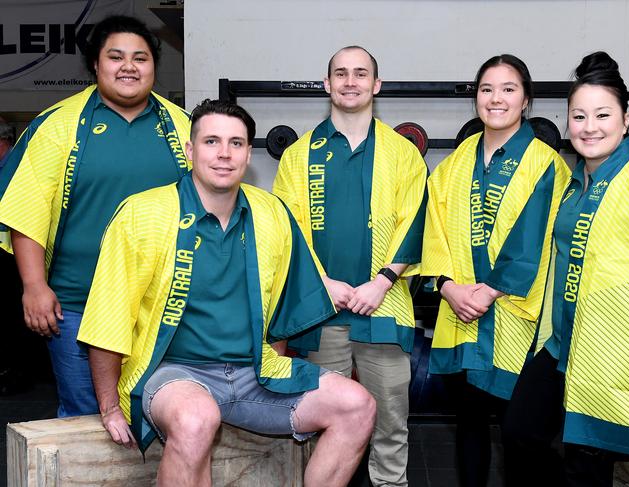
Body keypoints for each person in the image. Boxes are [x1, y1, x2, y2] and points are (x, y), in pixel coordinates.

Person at [77, 99, 376, 487]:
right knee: (197, 418)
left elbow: (287, 309)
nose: (224, 154)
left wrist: (273, 372)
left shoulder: (272, 212)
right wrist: (110, 407)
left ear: (248, 153)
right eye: (211, 141)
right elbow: (107, 318)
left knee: (358, 405)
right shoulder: (142, 213)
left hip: (254, 373)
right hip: (175, 374)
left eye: (236, 143)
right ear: (190, 150)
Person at [0, 15, 191, 417]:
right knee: (87, 417)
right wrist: (34, 286)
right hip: (77, 302)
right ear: (95, 65)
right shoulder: (57, 125)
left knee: (165, 414)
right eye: (116, 56)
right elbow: (26, 210)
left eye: (140, 58)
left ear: (154, 67)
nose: (129, 66)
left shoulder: (181, 125)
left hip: (165, 302)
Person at [273, 45, 428, 487]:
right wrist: (322, 282)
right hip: (321, 314)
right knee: (321, 426)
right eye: (340, 73)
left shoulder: (403, 154)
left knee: (391, 424)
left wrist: (381, 282)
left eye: (361, 73)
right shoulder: (299, 155)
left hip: (384, 308)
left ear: (376, 85)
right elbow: (288, 230)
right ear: (327, 85)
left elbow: (414, 221)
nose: (350, 81)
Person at [421, 54, 570, 487]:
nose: (496, 98)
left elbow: (536, 238)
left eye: (508, 89)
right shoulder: (455, 162)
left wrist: (487, 292)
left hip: (514, 319)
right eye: (487, 89)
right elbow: (434, 229)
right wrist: (448, 287)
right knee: (467, 423)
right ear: (476, 98)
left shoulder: (547, 164)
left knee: (518, 430)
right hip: (461, 313)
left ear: (526, 100)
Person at [502, 51, 629, 487]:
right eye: (579, 116)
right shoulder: (574, 184)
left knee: (586, 465)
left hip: (610, 352)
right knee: (520, 433)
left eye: (602, 115)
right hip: (561, 341)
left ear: (625, 119)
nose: (590, 127)